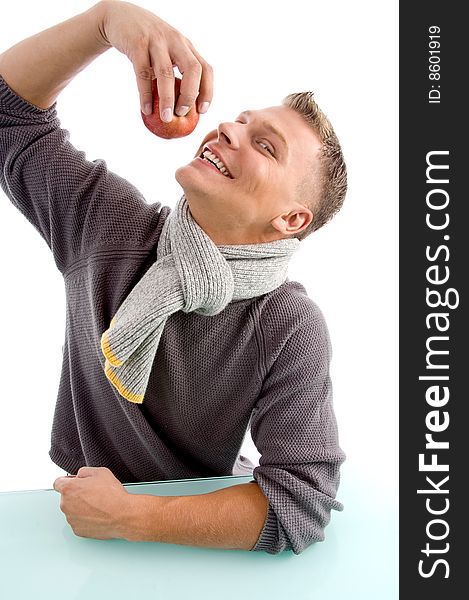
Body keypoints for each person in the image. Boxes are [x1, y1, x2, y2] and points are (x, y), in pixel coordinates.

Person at [0, 0, 347, 555]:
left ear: (290, 220)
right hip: (79, 527)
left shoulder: (286, 323)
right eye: (241, 120)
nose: (229, 130)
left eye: (265, 145)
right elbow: (8, 112)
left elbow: (300, 503)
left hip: (200, 535)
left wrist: (131, 516)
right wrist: (106, 20)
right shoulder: (109, 228)